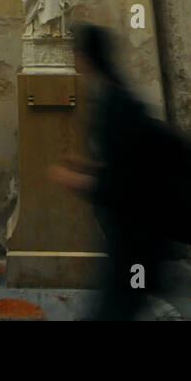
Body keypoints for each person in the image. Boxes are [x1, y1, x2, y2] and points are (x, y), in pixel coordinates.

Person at [49, 23, 171, 321]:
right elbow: (125, 163)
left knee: (116, 304)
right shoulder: (112, 94)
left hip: (133, 230)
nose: (75, 58)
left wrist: (77, 179)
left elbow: (126, 180)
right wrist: (86, 165)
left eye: (78, 52)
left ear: (87, 57)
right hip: (130, 231)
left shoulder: (115, 103)